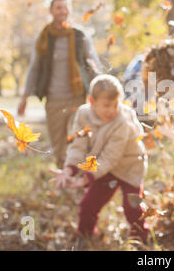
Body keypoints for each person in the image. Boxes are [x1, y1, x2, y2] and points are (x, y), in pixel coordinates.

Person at [49, 74, 149, 247]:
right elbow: (78, 146)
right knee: (89, 204)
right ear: (91, 101)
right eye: (106, 105)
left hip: (130, 165)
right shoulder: (83, 115)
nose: (111, 110)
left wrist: (87, 177)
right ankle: (85, 236)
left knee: (132, 207)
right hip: (104, 168)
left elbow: (111, 156)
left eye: (115, 104)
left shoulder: (121, 121)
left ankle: (140, 239)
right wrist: (69, 169)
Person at [18, 0, 104, 168]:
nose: (62, 11)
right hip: (53, 99)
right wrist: (24, 97)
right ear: (51, 11)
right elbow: (34, 68)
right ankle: (62, 175)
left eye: (65, 7)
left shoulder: (79, 36)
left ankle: (77, 175)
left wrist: (101, 88)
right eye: (58, 7)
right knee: (58, 144)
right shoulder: (44, 38)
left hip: (77, 97)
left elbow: (93, 61)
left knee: (77, 140)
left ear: (69, 11)